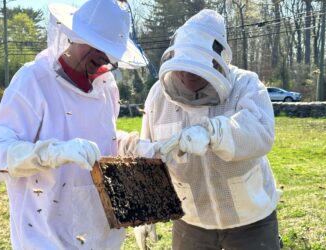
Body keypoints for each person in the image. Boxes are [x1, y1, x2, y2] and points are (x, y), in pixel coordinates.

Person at [0, 0, 147, 249]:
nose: (105, 58)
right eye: (98, 45)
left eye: (110, 50)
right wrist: (51, 153)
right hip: (43, 238)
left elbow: (101, 141)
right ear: (75, 35)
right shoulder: (32, 80)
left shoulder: (106, 85)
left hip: (101, 237)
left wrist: (131, 145)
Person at [120, 9, 281, 250]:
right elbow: (150, 155)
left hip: (251, 219)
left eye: (197, 65)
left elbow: (260, 132)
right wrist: (145, 208)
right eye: (184, 63)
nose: (187, 73)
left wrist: (213, 132)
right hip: (190, 221)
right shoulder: (157, 96)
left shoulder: (246, 84)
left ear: (217, 59)